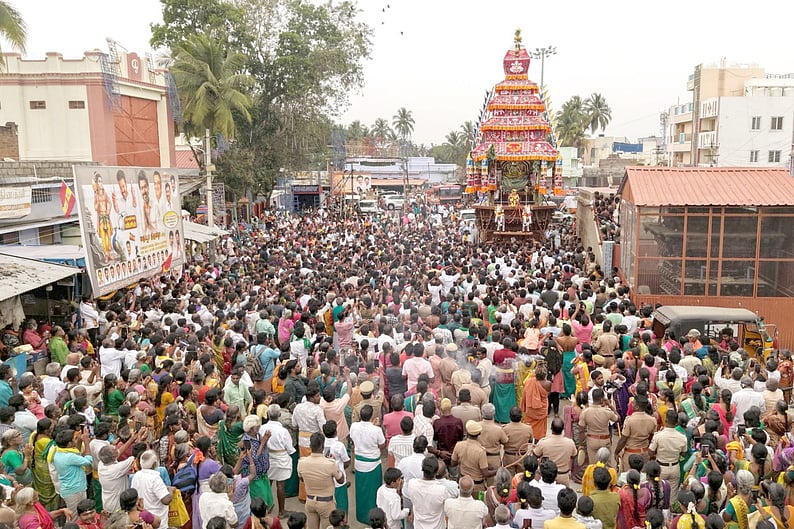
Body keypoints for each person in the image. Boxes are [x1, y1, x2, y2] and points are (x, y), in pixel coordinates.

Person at [297, 432, 344, 529]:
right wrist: (335, 464)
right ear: (323, 446)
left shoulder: (302, 462)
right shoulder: (330, 463)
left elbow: (302, 479)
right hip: (326, 503)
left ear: (310, 446)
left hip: (310, 501)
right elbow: (341, 480)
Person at [350, 404, 385, 524]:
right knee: (374, 491)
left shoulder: (354, 426)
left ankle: (361, 515)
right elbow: (382, 444)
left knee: (361, 490)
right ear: (372, 416)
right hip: (373, 463)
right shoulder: (376, 430)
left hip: (359, 462)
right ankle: (374, 518)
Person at [50, 428, 94, 515]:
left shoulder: (58, 451)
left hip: (69, 489)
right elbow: (88, 460)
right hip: (75, 490)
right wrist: (86, 442)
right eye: (75, 439)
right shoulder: (69, 456)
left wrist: (79, 441)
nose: (76, 439)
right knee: (75, 516)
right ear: (69, 443)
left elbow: (76, 453)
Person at [404, 456, 454, 529]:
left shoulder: (412, 484)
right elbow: (447, 507)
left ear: (422, 469)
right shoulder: (441, 490)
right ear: (436, 472)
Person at [649, 410, 688, 503]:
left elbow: (650, 452)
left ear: (666, 420)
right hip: (675, 467)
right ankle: (670, 515)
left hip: (661, 467)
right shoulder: (682, 437)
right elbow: (684, 453)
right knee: (672, 496)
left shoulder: (659, 436)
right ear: (676, 422)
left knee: (658, 493)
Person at [130, 450, 174, 529]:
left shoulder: (137, 476)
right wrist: (171, 490)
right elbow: (166, 500)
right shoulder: (155, 478)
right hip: (158, 520)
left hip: (144, 519)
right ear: (154, 464)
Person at [533, 418, 577, 486]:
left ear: (551, 428)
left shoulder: (544, 443)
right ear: (563, 429)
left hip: (548, 478)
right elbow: (574, 456)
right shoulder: (570, 443)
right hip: (563, 476)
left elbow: (535, 455)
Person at [521, 367, 551, 441]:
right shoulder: (548, 383)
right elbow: (548, 394)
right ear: (545, 375)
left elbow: (525, 393)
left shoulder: (529, 381)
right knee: (540, 431)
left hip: (530, 410)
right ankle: (537, 445)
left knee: (528, 426)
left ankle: (528, 440)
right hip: (542, 410)